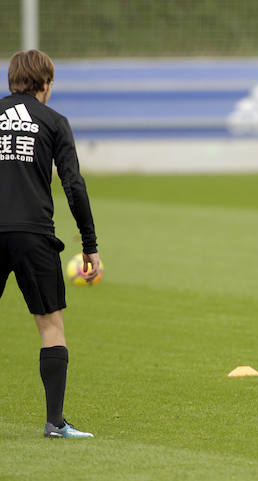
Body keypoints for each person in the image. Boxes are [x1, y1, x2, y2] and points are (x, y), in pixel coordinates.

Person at [1, 50, 101, 438]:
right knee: (50, 327)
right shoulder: (54, 122)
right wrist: (89, 243)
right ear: (45, 84)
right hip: (33, 233)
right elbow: (73, 185)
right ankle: (55, 423)